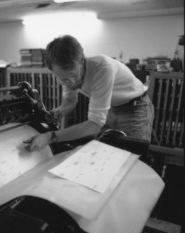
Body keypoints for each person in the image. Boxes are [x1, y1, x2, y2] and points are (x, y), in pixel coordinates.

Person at [24, 35, 154, 152]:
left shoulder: (102, 67)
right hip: (110, 109)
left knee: (132, 155)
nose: (71, 82)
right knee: (107, 153)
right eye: (63, 79)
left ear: (82, 61)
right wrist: (59, 111)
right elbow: (70, 101)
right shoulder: (68, 74)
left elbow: (95, 125)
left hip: (135, 108)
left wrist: (50, 136)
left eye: (74, 75)